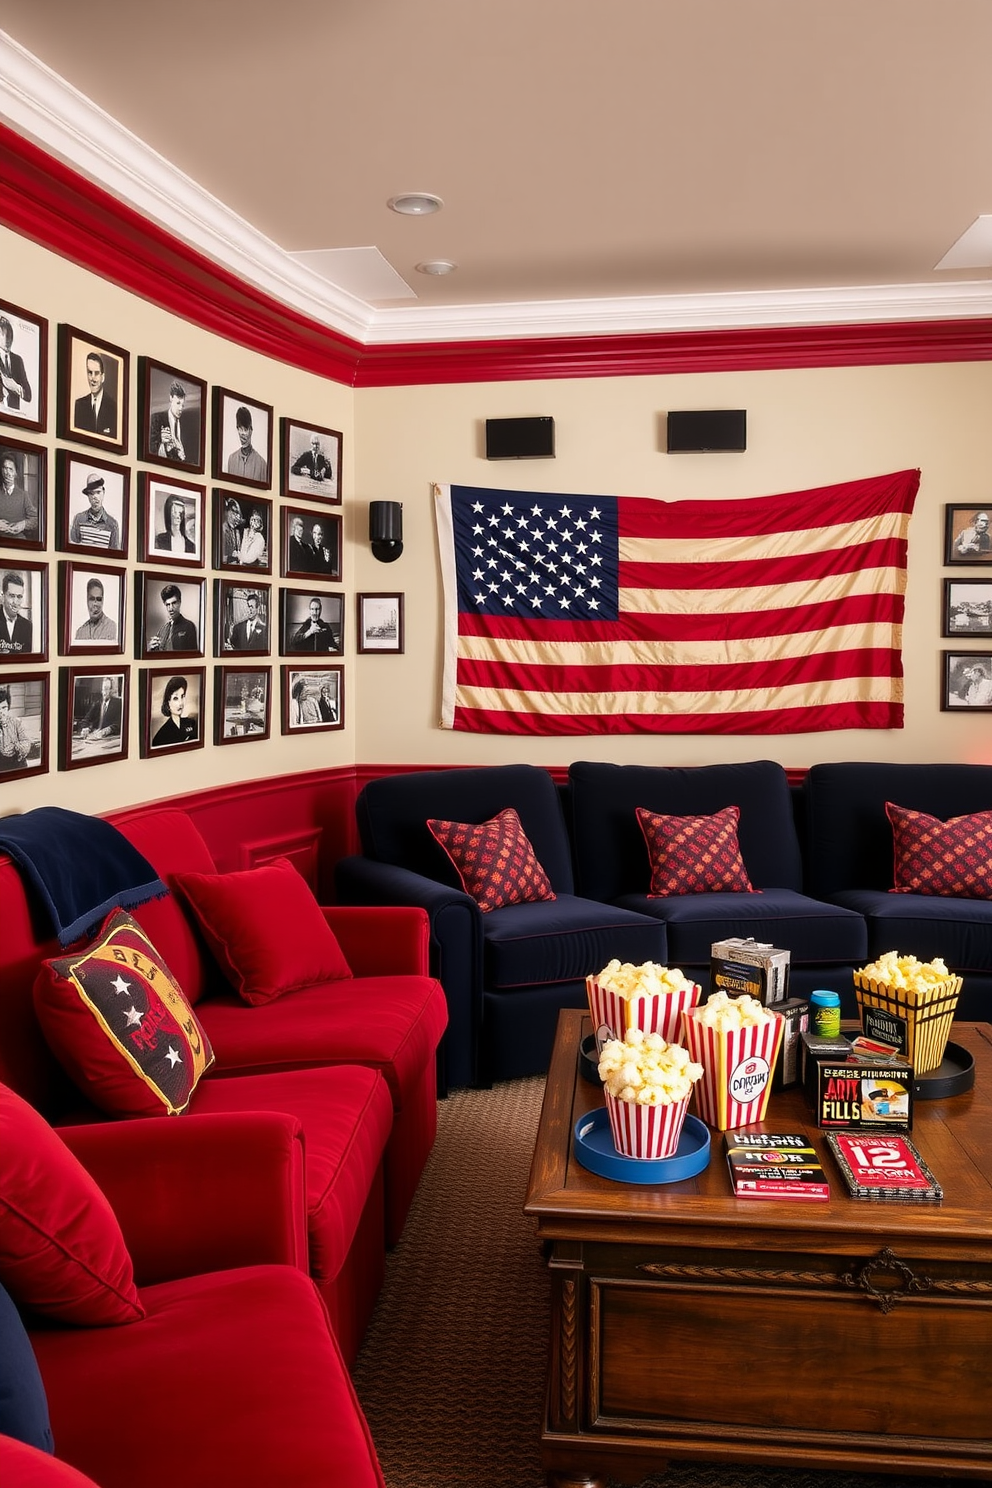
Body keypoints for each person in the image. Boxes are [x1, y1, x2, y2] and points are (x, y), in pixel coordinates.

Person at [69, 472, 120, 550]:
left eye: (98, 492)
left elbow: (115, 555)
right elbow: (72, 549)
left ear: (104, 492)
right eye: (91, 493)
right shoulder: (79, 519)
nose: (95, 497)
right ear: (88, 496)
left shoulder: (112, 524)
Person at [72, 351, 118, 438]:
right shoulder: (79, 405)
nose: (92, 378)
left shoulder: (114, 407)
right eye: (90, 372)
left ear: (102, 377)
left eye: (96, 373)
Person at [148, 583, 198, 652]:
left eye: (174, 603)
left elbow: (193, 657)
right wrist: (150, 649)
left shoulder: (189, 626)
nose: (171, 608)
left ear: (180, 602)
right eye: (167, 604)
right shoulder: (162, 629)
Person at [152, 675, 198, 748]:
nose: (181, 703)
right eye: (175, 698)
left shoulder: (192, 723)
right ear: (168, 703)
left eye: (182, 696)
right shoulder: (161, 736)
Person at [0, 452, 38, 540]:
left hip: (18, 541)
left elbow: (36, 519)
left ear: (16, 473)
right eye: (5, 468)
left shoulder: (23, 495)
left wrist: (23, 524)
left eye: (11, 469)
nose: (7, 473)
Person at [225, 405, 268, 484]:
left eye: (245, 429)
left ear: (251, 430)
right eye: (240, 429)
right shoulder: (231, 459)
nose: (242, 433)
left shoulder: (262, 464)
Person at [148, 381, 188, 462]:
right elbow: (148, 449)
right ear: (171, 398)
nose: (180, 409)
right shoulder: (156, 419)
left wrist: (183, 459)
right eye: (178, 403)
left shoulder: (187, 424)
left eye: (182, 405)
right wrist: (161, 442)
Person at [0, 315, 32, 413]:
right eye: (4, 334)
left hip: (14, 417)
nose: (8, 340)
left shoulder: (17, 360)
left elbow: (28, 396)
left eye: (10, 335)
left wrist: (16, 387)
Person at [74, 576, 117, 642]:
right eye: (92, 599)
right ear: (87, 600)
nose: (95, 604)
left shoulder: (112, 627)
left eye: (99, 599)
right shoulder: (80, 633)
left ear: (103, 601)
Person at [79, 674, 122, 741]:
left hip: (110, 739)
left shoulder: (118, 703)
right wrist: (85, 728)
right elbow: (86, 719)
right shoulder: (97, 704)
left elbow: (120, 723)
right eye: (103, 689)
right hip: (96, 737)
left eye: (107, 689)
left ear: (111, 690)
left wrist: (108, 730)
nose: (104, 693)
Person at [0, 570, 32, 655]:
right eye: (12, 596)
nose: (15, 602)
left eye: (19, 597)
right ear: (3, 597)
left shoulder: (27, 626)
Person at [0, 684, 31, 770]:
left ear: (8, 707)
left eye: (4, 707)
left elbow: (25, 741)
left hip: (17, 763)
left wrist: (20, 747)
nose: (1, 712)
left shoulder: (16, 722)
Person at [221, 497, 244, 564]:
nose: (238, 518)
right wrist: (231, 558)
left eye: (238, 515)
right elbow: (217, 556)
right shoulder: (222, 530)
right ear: (227, 512)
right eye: (234, 513)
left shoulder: (236, 532)